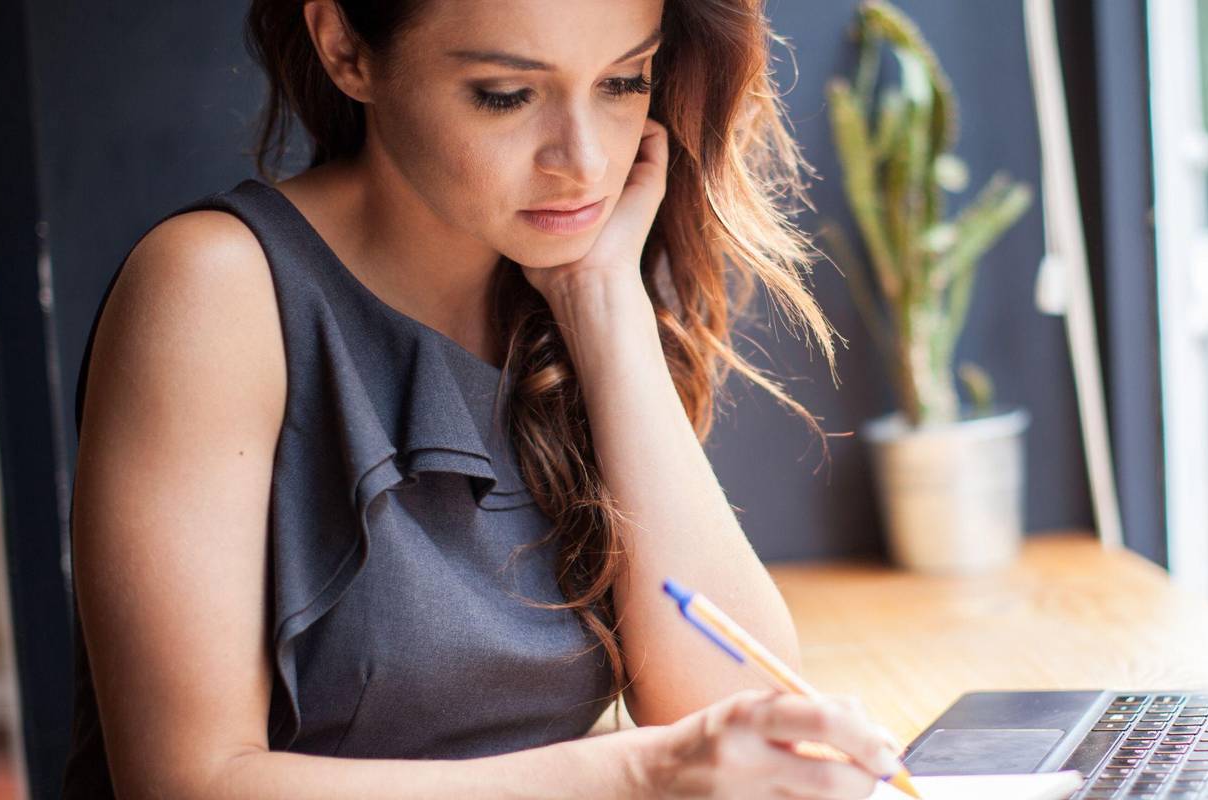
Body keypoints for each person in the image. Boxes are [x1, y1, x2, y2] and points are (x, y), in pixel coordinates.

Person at [61, 0, 906, 797]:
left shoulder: (569, 291)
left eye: (623, 82)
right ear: (346, 48)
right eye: (507, 96)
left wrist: (602, 303)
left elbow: (730, 704)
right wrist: (634, 777)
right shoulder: (217, 290)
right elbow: (184, 783)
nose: (583, 160)